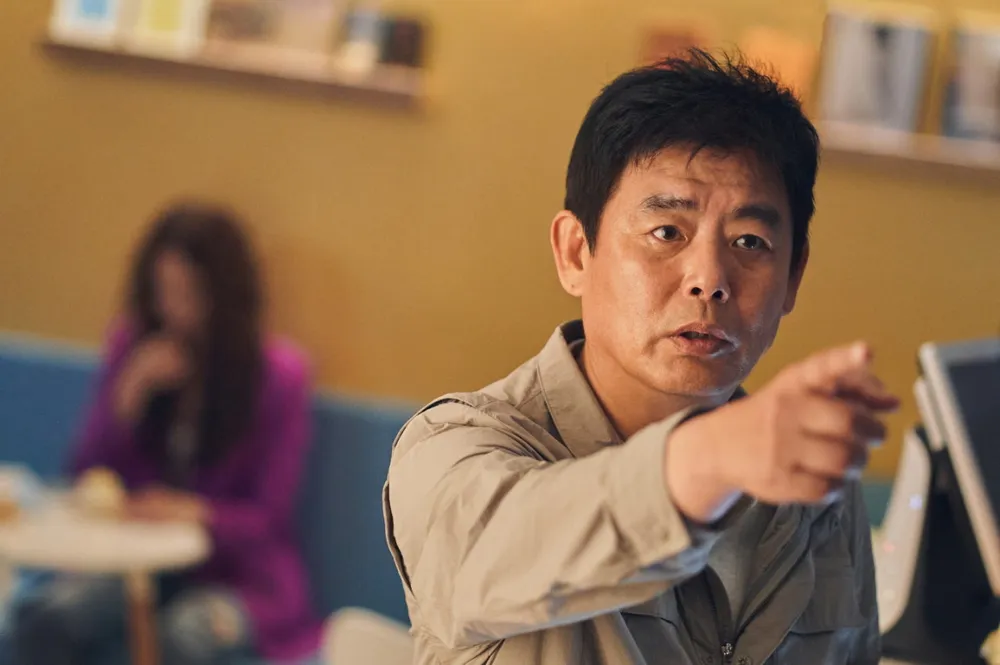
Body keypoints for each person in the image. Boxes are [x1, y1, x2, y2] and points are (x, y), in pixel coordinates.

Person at [383, 50, 898, 665]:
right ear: (576, 252)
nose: (709, 279)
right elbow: (492, 549)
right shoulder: (454, 445)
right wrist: (714, 457)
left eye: (750, 241)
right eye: (667, 233)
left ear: (793, 277)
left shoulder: (811, 486)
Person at [9, 203, 324, 665]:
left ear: (226, 297)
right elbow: (84, 474)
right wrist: (128, 396)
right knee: (47, 618)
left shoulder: (278, 378)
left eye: (190, 295)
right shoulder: (134, 347)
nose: (174, 311)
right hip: (135, 565)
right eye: (163, 292)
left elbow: (269, 517)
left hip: (240, 580)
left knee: (182, 636)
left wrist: (193, 512)